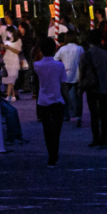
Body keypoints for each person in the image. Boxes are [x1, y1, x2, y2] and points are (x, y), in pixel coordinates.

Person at [34, 36, 66, 166]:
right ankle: (55, 155)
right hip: (58, 101)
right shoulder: (59, 65)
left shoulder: (37, 65)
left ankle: (50, 156)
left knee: (47, 130)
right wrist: (69, 99)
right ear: (54, 49)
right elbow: (63, 84)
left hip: (43, 101)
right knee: (56, 131)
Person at [81, 29, 107, 148]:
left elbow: (82, 72)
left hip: (91, 87)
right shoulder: (106, 55)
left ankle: (96, 138)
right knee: (104, 114)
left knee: (93, 114)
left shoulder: (86, 55)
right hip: (104, 86)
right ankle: (104, 139)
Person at [57, 33, 84, 125]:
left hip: (66, 75)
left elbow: (55, 59)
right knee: (78, 97)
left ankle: (65, 114)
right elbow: (83, 61)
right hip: (78, 76)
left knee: (64, 96)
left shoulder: (62, 49)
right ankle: (78, 116)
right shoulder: (80, 48)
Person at [0, 16, 22, 101]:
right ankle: (12, 95)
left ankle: (9, 95)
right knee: (9, 77)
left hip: (14, 59)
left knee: (12, 78)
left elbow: (17, 51)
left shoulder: (18, 40)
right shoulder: (6, 39)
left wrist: (8, 47)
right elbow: (4, 48)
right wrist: (3, 47)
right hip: (7, 59)